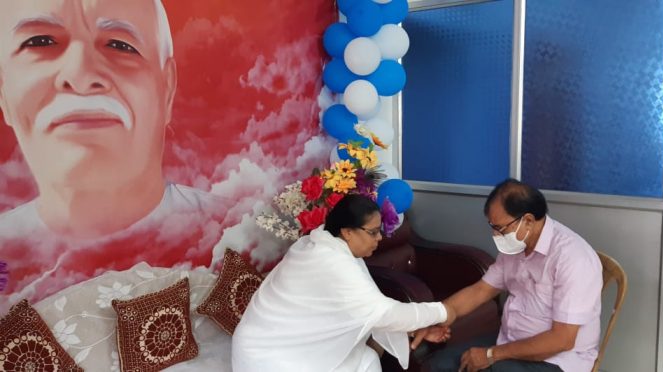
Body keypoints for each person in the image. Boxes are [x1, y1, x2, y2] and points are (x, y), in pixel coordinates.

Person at [0, 0, 232, 312]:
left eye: (120, 45)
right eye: (40, 42)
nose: (80, 75)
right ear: (3, 92)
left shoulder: (235, 235)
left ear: (167, 90)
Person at [232, 194, 455, 372]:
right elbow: (383, 313)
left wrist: (413, 330)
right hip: (269, 356)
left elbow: (363, 309)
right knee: (365, 361)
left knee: (364, 358)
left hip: (280, 341)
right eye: (373, 232)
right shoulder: (330, 260)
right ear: (348, 232)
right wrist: (445, 311)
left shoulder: (322, 242)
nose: (380, 238)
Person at [414, 179, 602, 372]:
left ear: (528, 221)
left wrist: (490, 355)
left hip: (559, 359)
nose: (496, 235)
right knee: (439, 365)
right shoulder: (518, 246)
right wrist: (437, 317)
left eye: (500, 228)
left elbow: (562, 340)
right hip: (510, 341)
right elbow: (481, 290)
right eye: (492, 227)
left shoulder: (572, 257)